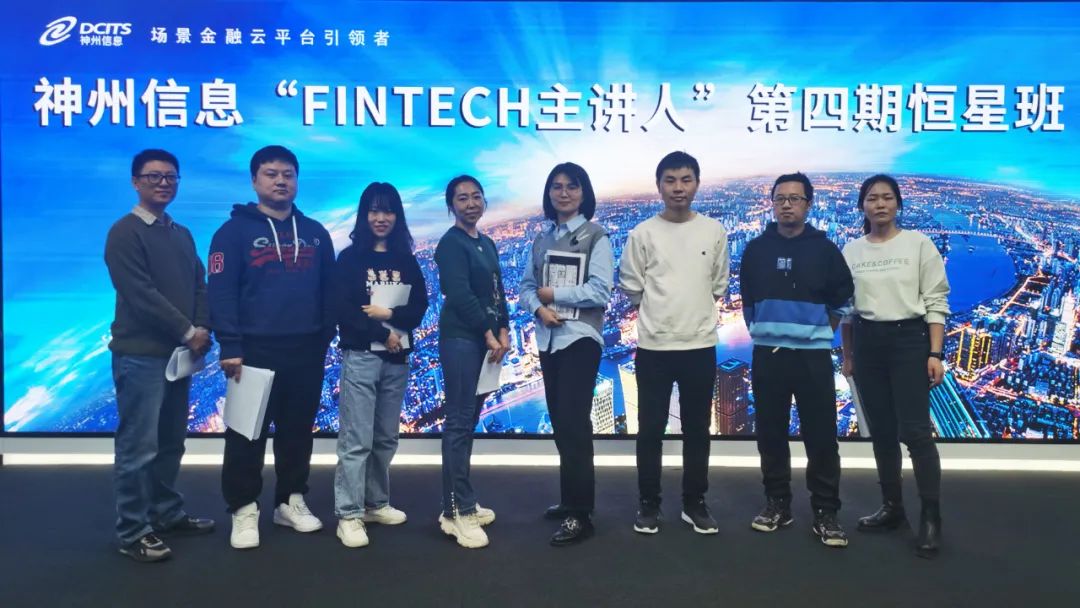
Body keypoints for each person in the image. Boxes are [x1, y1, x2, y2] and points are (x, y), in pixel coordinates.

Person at [208, 145, 336, 550]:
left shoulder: (315, 233)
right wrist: (230, 344)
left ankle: (290, 500)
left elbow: (329, 290)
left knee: (297, 432)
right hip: (253, 351)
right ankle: (244, 508)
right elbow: (221, 292)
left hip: (306, 350)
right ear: (254, 180)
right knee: (246, 434)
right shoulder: (231, 234)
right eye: (271, 173)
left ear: (297, 180)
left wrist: (323, 337)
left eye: (288, 174)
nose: (280, 181)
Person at [105, 149, 214, 562]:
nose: (164, 183)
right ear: (136, 182)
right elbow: (140, 294)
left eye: (171, 177)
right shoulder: (124, 232)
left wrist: (202, 327)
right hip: (141, 356)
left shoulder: (180, 233)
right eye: (154, 176)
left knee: (171, 442)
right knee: (138, 448)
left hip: (178, 357)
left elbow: (199, 284)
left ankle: (165, 513)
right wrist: (188, 331)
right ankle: (133, 531)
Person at [618, 151, 729, 535]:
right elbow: (631, 286)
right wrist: (660, 313)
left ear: (696, 183)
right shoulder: (642, 234)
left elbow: (718, 284)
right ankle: (649, 504)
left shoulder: (713, 230)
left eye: (685, 179)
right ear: (659, 185)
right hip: (654, 348)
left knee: (698, 430)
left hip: (699, 345)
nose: (678, 187)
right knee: (650, 430)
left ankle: (694, 503)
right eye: (670, 180)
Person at [741, 172, 854, 548]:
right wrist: (765, 331)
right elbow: (747, 300)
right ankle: (777, 503)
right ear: (772, 203)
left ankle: (826, 510)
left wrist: (818, 332)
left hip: (812, 356)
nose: (787, 204)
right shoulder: (756, 250)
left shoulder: (825, 250)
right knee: (770, 433)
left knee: (821, 436)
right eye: (780, 198)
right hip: (768, 356)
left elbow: (842, 298)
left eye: (795, 198)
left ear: (808, 204)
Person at [840, 174, 950, 558]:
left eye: (887, 198)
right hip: (868, 343)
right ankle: (893, 508)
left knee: (917, 433)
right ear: (863, 206)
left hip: (909, 341)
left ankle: (931, 517)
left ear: (898, 204)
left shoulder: (918, 244)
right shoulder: (852, 250)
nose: (880, 204)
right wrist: (848, 356)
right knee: (883, 433)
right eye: (872, 198)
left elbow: (936, 301)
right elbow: (847, 312)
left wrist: (935, 354)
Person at [519, 162, 613, 546]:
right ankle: (570, 499)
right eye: (556, 186)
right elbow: (526, 287)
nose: (563, 193)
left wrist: (554, 294)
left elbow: (601, 290)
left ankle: (581, 514)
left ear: (583, 192)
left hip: (580, 338)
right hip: (548, 338)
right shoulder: (541, 240)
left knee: (574, 424)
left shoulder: (596, 236)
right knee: (561, 424)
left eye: (571, 186)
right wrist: (538, 308)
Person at [332, 182, 429, 548]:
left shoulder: (406, 260)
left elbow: (419, 307)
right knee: (356, 439)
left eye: (388, 210)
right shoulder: (349, 260)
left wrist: (388, 317)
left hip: (397, 358)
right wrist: (380, 332)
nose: (381, 217)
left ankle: (375, 503)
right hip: (361, 356)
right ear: (364, 215)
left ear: (397, 216)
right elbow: (343, 310)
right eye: (374, 210)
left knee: (386, 437)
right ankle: (349, 513)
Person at [433, 175, 510, 548]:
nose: (470, 203)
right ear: (451, 206)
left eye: (476, 196)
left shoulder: (487, 242)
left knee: (467, 423)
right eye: (462, 198)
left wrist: (505, 329)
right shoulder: (450, 244)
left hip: (486, 340)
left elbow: (497, 291)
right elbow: (459, 294)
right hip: (462, 340)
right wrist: (488, 333)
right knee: (459, 424)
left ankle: (460, 502)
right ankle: (457, 512)